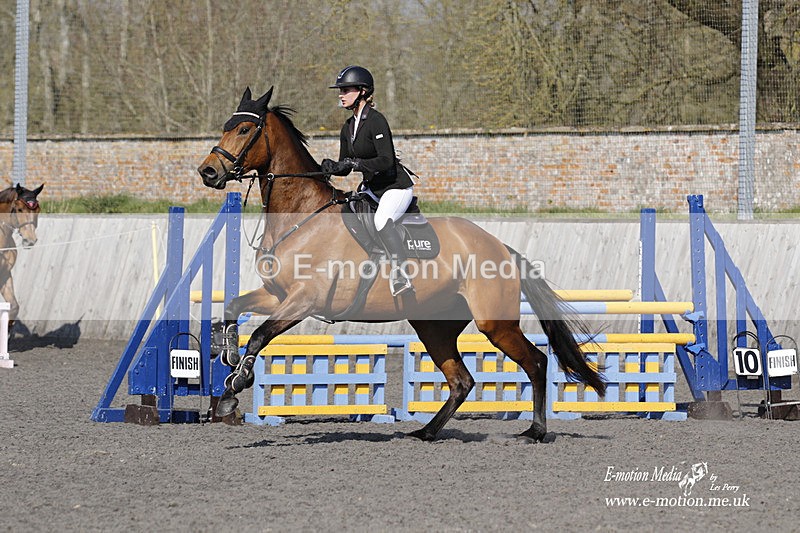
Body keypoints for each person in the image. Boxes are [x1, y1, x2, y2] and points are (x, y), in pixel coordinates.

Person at [321, 65, 415, 296]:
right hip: (373, 189)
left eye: (346, 90)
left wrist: (356, 164)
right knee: (346, 211)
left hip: (395, 187)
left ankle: (401, 275)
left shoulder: (376, 121)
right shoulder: (347, 127)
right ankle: (374, 253)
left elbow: (386, 161)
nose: (341, 95)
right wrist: (331, 168)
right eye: (340, 91)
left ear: (362, 91)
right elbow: (346, 165)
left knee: (382, 219)